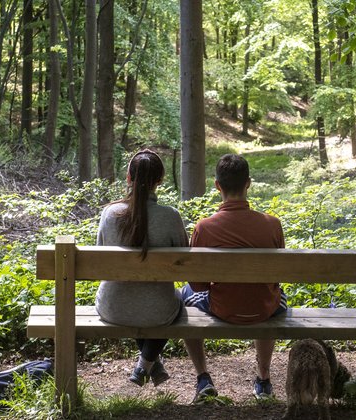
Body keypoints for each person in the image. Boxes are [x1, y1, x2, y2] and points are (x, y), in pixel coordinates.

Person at [181, 153, 288, 402]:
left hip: (222, 308)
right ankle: (263, 380)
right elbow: (278, 277)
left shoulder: (204, 227)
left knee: (183, 297)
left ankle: (203, 378)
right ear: (248, 183)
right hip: (265, 309)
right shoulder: (273, 224)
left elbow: (197, 285)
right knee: (271, 293)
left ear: (217, 185)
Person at [94, 149, 188, 387]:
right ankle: (146, 364)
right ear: (160, 181)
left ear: (128, 178)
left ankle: (147, 365)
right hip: (158, 311)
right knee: (171, 304)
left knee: (142, 303)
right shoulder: (170, 216)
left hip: (112, 307)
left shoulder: (110, 213)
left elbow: (100, 255)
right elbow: (186, 263)